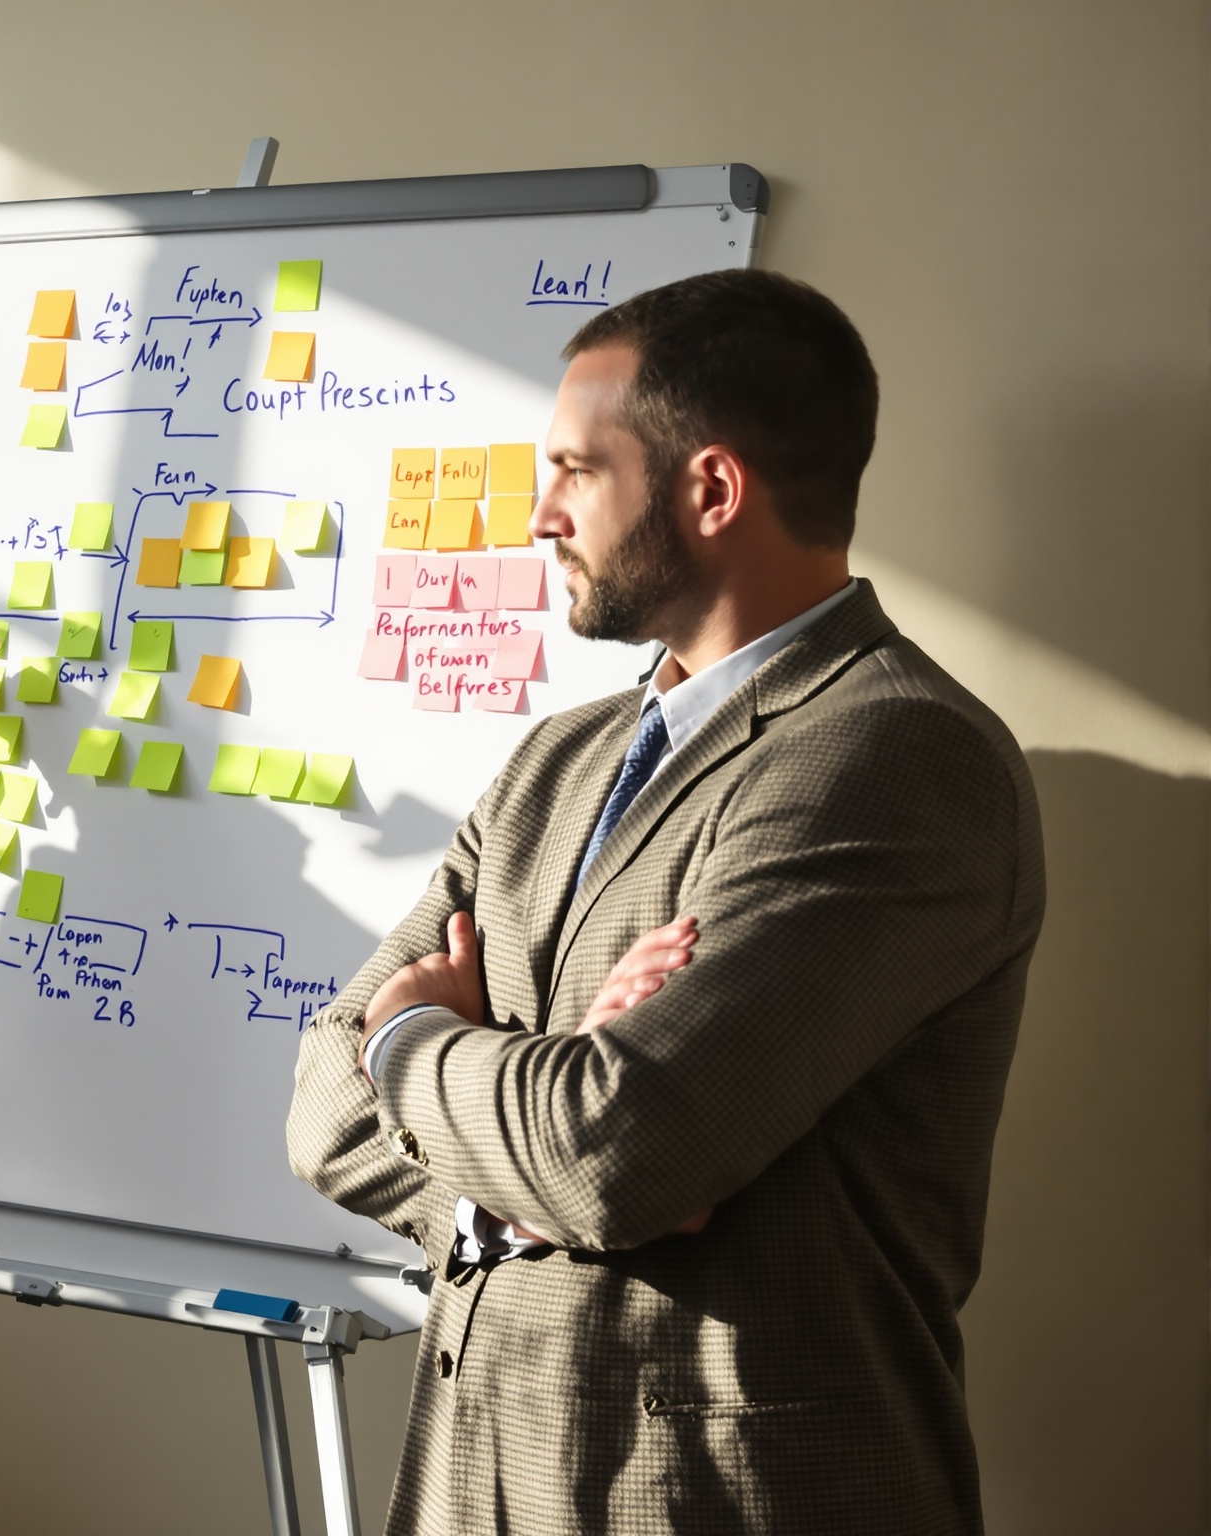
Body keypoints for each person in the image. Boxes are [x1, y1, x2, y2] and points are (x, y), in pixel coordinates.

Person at [285, 269, 1043, 1535]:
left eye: (575, 471)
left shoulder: (894, 757)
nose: (537, 515)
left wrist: (417, 1037)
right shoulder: (553, 762)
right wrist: (521, 1159)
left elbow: (614, 1147)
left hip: (715, 1502)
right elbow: (322, 1102)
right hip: (478, 1482)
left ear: (710, 488)